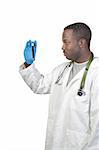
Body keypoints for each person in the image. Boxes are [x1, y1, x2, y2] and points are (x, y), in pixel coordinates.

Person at [19, 22, 99, 150]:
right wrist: (29, 64)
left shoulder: (96, 72)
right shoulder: (62, 70)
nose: (62, 47)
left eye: (66, 42)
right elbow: (40, 85)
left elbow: (97, 125)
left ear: (81, 43)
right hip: (56, 143)